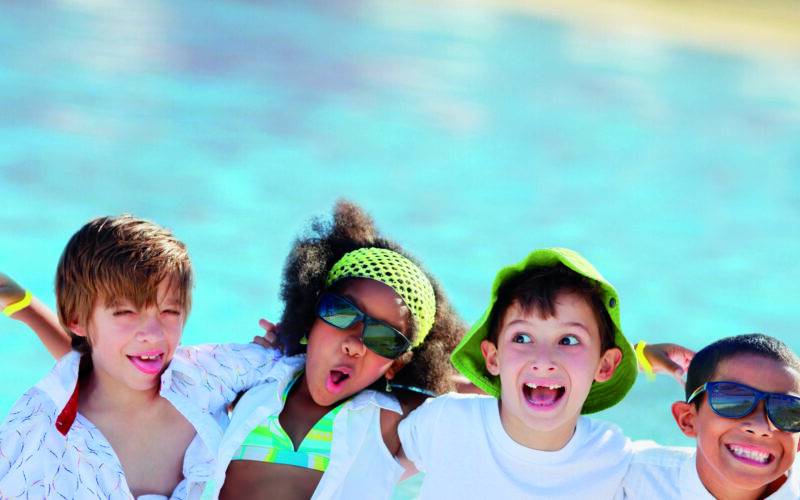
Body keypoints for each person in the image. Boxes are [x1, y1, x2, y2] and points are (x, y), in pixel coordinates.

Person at [0, 215, 278, 499]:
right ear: (77, 320)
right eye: (125, 312)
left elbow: (285, 363)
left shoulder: (208, 378)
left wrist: (280, 345)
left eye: (169, 311)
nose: (153, 334)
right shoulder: (44, 434)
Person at [203, 200, 467, 500]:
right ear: (309, 317)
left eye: (384, 338)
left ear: (397, 364)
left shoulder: (389, 423)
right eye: (341, 312)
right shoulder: (250, 385)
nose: (354, 344)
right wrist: (266, 357)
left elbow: (495, 400)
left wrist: (445, 379)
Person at [396, 247, 692, 499]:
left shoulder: (614, 457)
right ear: (493, 358)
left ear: (605, 366)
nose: (543, 360)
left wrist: (639, 356)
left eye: (568, 340)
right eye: (522, 338)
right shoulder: (445, 423)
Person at [622, 333, 800, 500]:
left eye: (786, 411)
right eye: (733, 401)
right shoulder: (627, 477)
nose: (760, 427)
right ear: (687, 419)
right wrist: (631, 358)